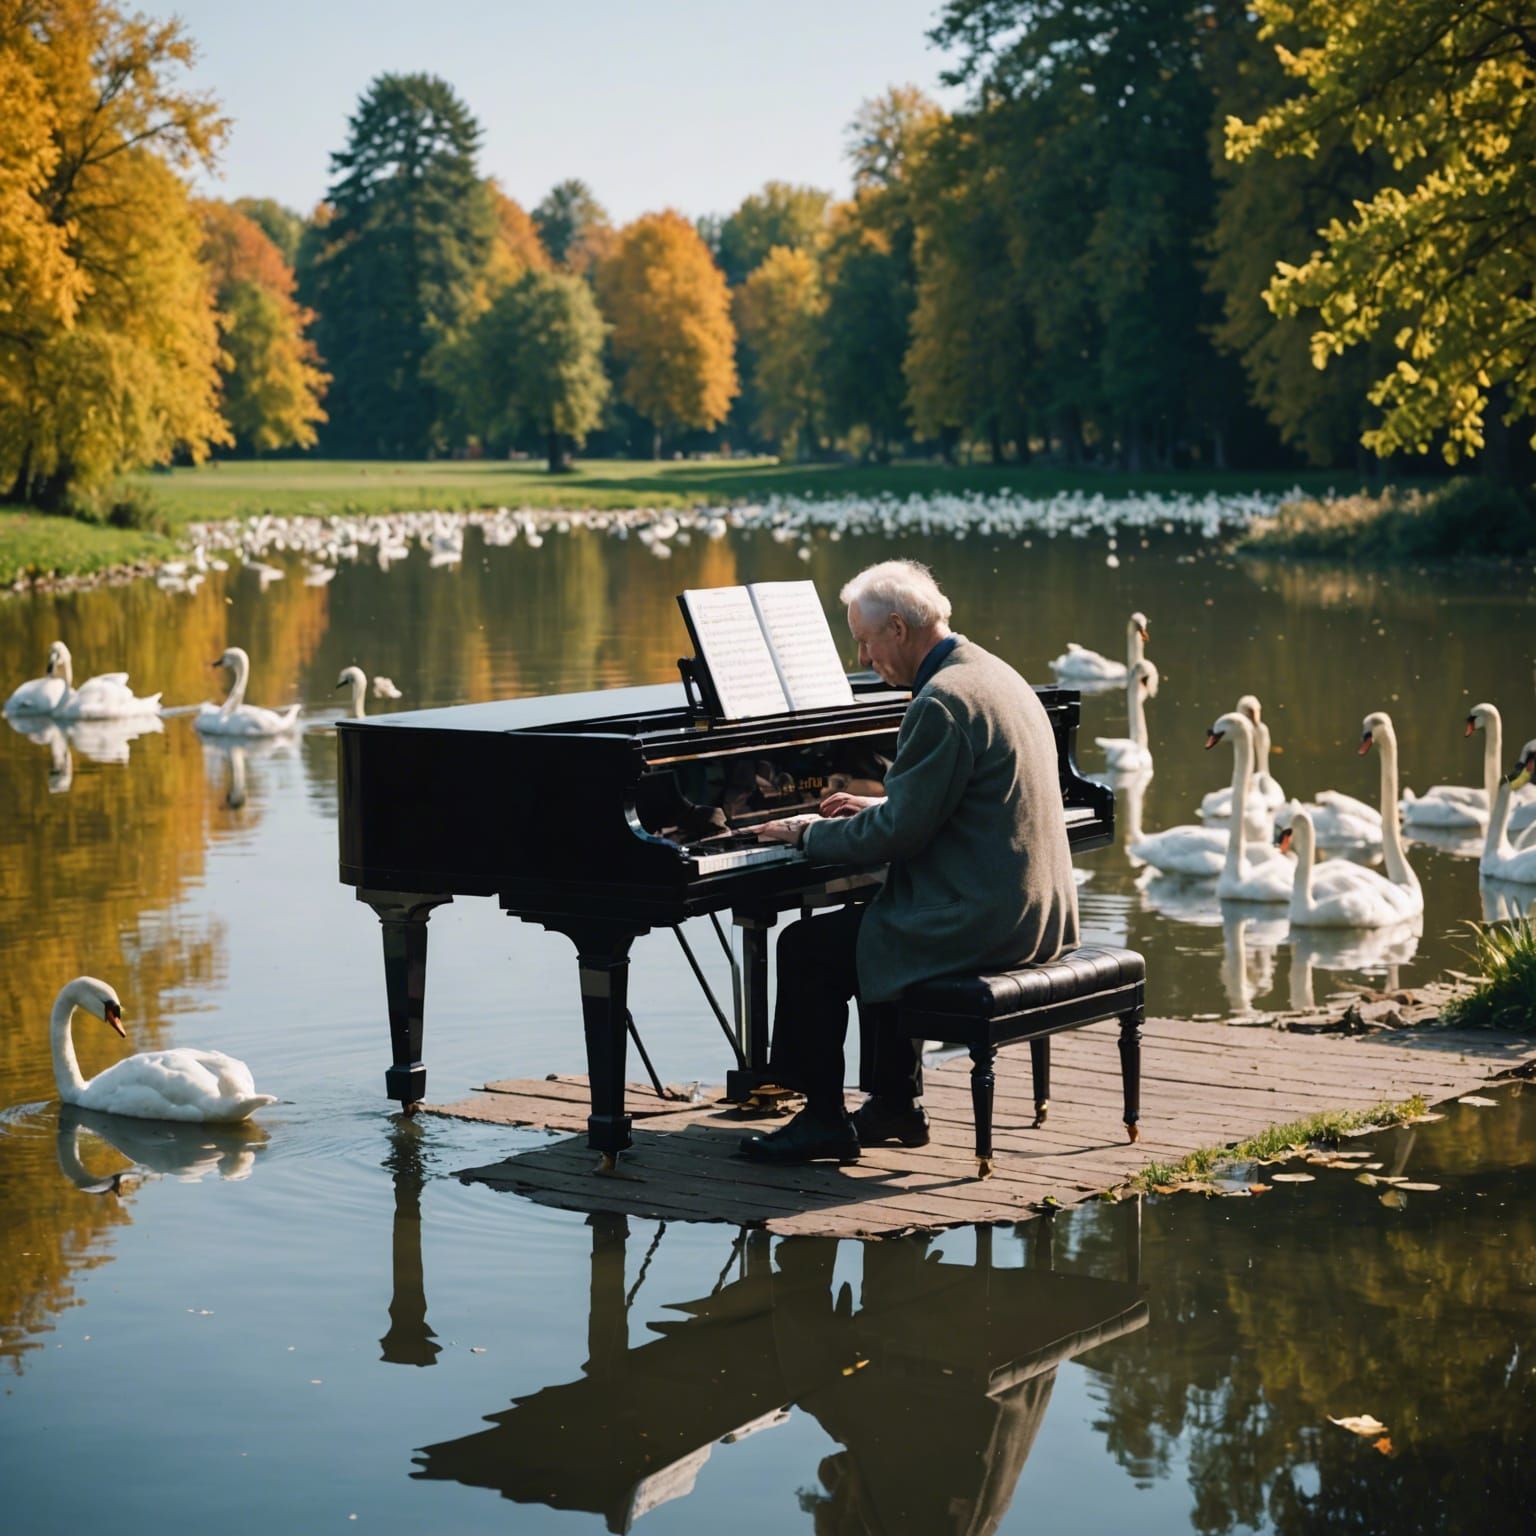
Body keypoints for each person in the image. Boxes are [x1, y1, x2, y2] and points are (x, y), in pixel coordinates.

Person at [738, 559, 1079, 1165]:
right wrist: (881, 803)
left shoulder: (940, 701)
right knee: (877, 915)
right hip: (1034, 909)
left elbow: (899, 836)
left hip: (985, 920)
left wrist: (805, 832)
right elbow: (941, 802)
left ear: (897, 628)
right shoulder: (992, 674)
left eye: (865, 642)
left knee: (807, 949)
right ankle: (895, 1104)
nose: (864, 659)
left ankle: (821, 1120)